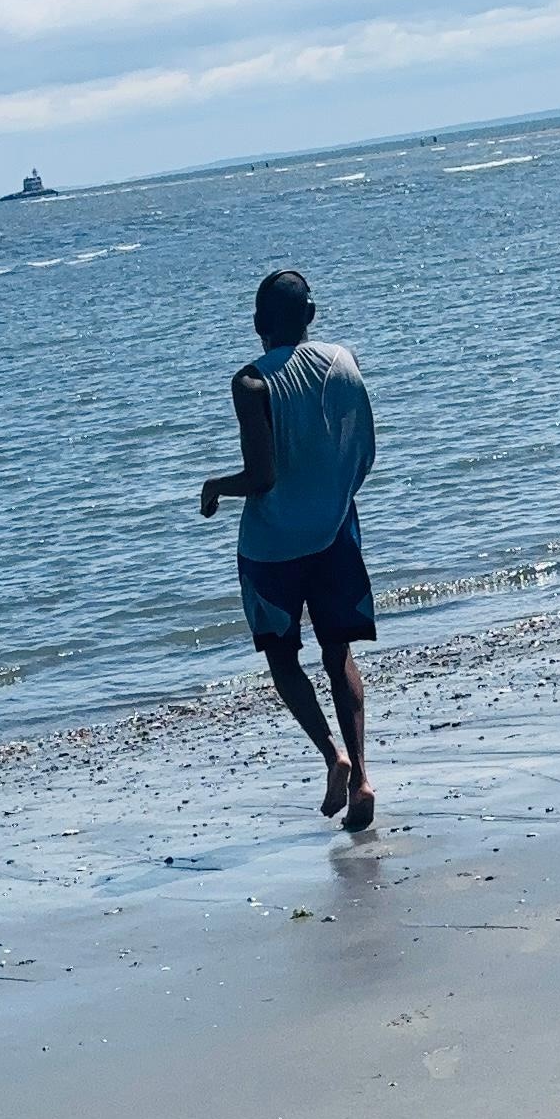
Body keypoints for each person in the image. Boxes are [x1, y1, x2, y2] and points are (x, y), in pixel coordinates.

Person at [201, 266, 380, 828]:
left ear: (257, 323)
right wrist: (333, 503)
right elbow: (364, 453)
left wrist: (214, 487)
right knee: (339, 656)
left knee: (283, 659)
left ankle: (334, 756)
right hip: (334, 533)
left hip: (272, 549)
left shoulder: (251, 383)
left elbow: (262, 476)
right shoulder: (343, 363)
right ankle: (364, 780)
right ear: (310, 316)